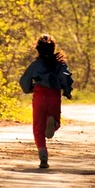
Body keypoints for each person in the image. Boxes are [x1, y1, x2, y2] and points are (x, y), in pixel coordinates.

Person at [19, 34, 73, 169]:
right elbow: (66, 79)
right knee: (56, 123)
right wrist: (67, 91)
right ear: (53, 48)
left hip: (39, 96)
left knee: (38, 128)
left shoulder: (35, 65)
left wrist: (29, 88)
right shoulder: (60, 64)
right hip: (54, 96)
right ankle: (52, 124)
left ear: (38, 49)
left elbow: (23, 81)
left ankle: (43, 154)